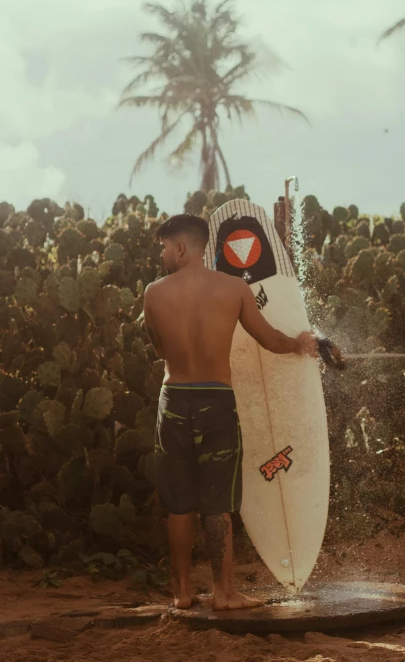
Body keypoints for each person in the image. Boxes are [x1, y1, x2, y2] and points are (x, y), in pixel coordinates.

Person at [143, 214, 318, 611]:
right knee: (217, 501)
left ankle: (182, 593)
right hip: (216, 402)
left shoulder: (153, 293)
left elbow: (158, 348)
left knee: (179, 502)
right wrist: (300, 343)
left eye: (165, 246)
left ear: (182, 247)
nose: (162, 253)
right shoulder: (234, 288)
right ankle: (224, 593)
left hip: (173, 401)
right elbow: (270, 339)